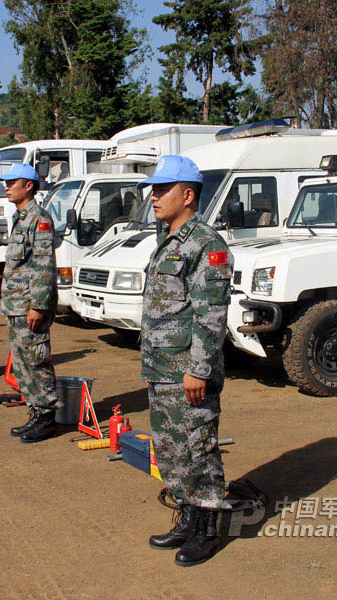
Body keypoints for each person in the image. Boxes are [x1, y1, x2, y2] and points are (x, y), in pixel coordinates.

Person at [138, 155, 233, 567]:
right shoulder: (170, 241)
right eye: (154, 190)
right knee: (172, 449)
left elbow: (210, 313)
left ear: (188, 194)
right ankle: (188, 516)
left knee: (197, 447)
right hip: (162, 370)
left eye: (162, 190)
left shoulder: (205, 243)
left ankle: (209, 528)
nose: (154, 197)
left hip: (187, 372)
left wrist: (198, 368)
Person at [0, 163, 60, 443]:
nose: (6, 187)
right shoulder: (21, 217)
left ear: (29, 186)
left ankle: (47, 416)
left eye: (12, 182)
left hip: (29, 305)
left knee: (36, 360)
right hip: (16, 304)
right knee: (22, 361)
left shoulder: (39, 218)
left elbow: (44, 265)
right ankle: (36, 411)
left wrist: (38, 305)